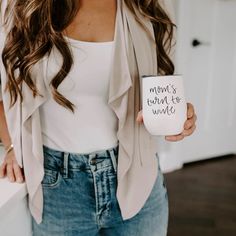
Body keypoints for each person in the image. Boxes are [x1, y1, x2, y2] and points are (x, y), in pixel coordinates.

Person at [0, 0, 197, 235]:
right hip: (59, 190)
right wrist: (12, 145)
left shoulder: (149, 5)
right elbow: (6, 91)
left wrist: (178, 118)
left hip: (137, 178)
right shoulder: (21, 6)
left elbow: (161, 88)